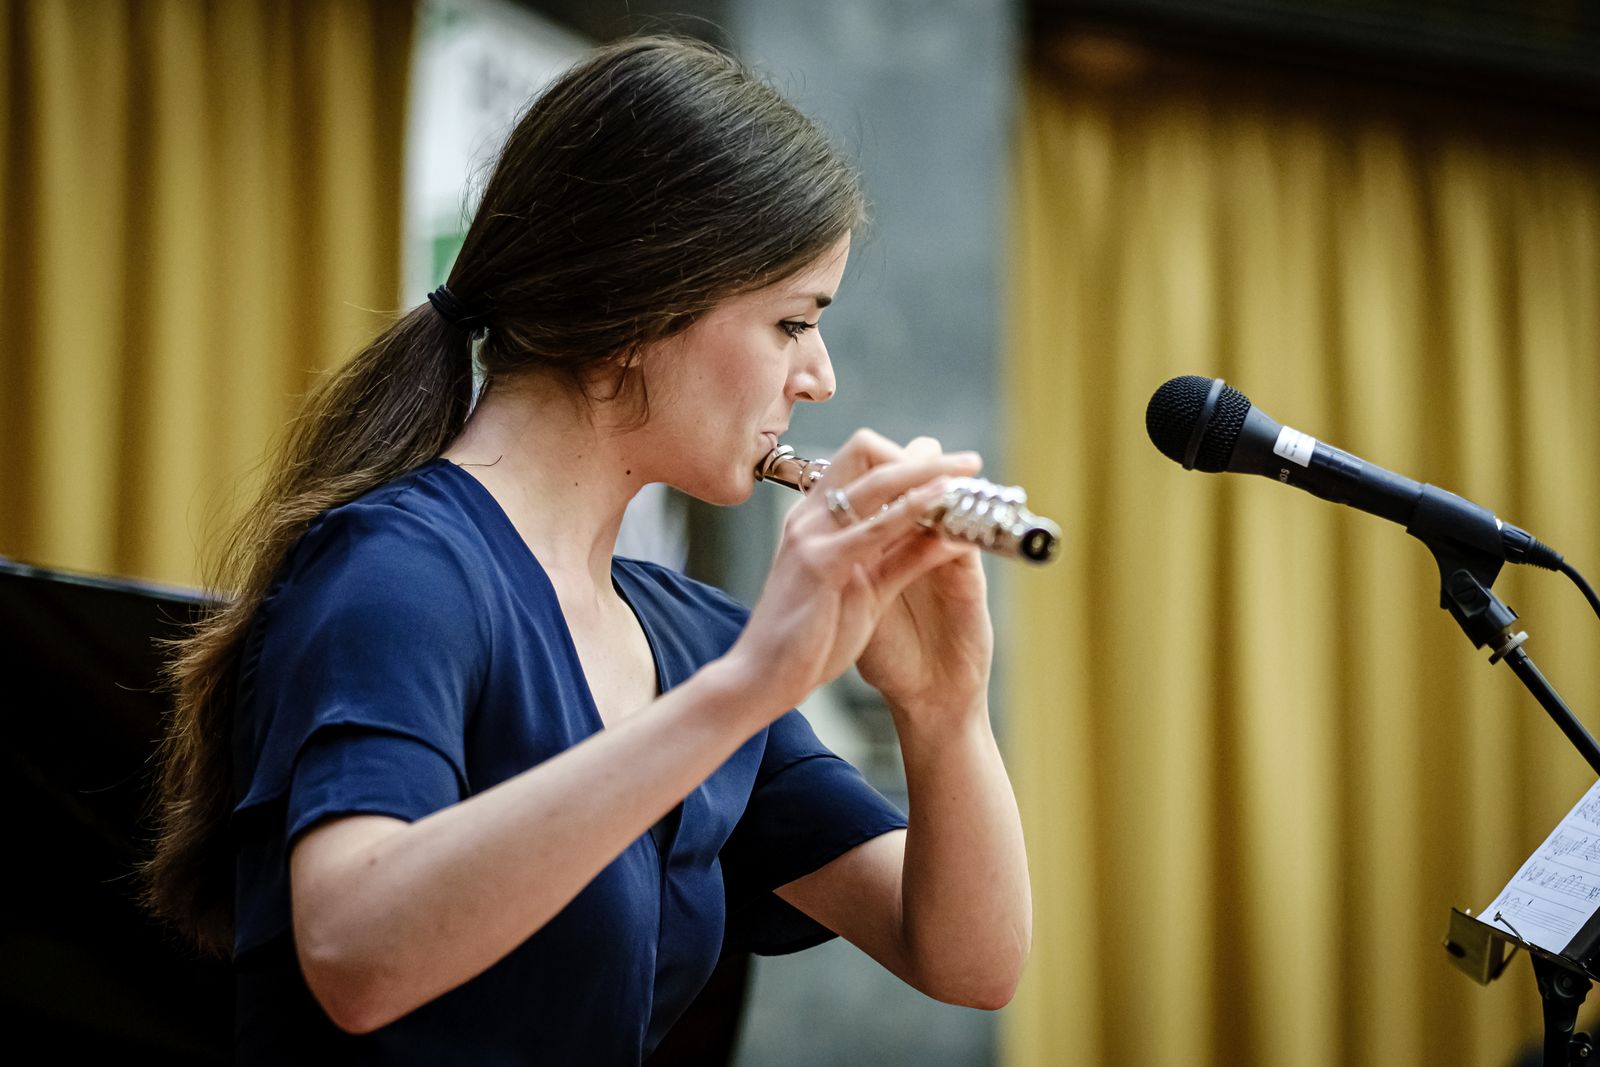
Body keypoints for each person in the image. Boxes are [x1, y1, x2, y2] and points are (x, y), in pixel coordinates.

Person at [143, 35, 1031, 1064]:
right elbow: (354, 953)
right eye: (792, 323)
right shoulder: (396, 572)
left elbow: (970, 961)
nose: (819, 377)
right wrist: (749, 685)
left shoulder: (696, 640)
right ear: (639, 310)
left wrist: (943, 707)